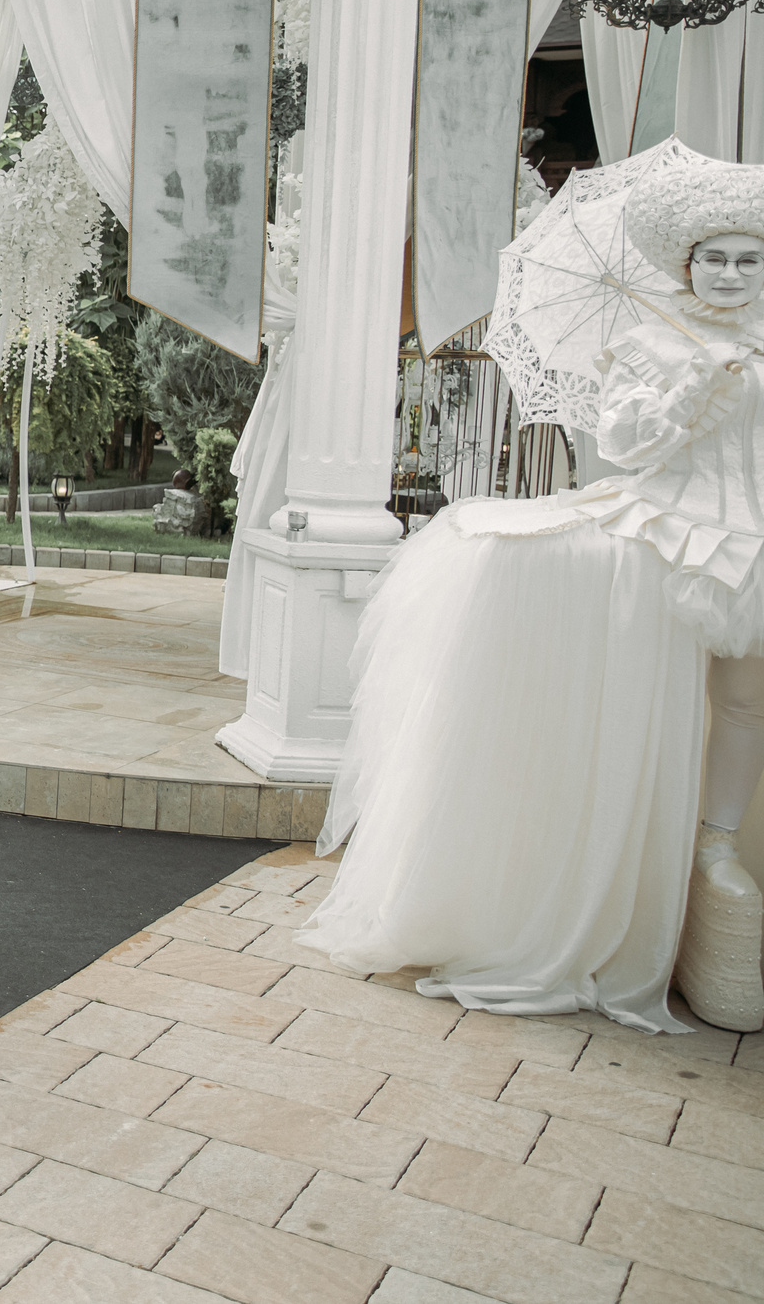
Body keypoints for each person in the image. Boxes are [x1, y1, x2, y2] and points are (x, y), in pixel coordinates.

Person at [300, 156, 764, 1035]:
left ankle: (718, 841)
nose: (733, 274)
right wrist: (690, 387)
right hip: (672, 525)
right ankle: (633, 882)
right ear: (688, 262)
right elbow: (627, 442)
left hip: (755, 535)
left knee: (745, 703)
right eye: (717, 258)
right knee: (663, 704)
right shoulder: (652, 337)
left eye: (749, 258)